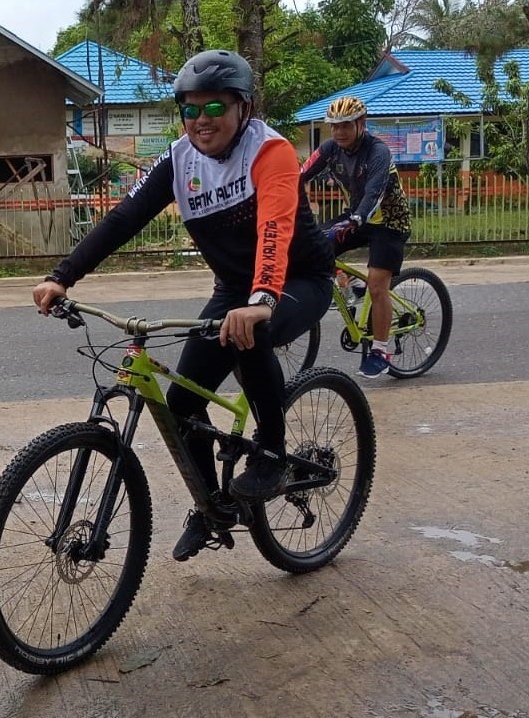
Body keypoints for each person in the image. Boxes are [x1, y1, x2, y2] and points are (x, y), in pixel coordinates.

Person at [31, 50, 335, 562]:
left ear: (243, 107)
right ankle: (213, 507)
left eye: (214, 108)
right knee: (182, 407)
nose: (200, 121)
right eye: (189, 110)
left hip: (297, 279)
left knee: (248, 333)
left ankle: (274, 455)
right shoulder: (178, 160)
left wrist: (260, 301)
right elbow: (123, 219)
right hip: (233, 288)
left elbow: (274, 229)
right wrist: (63, 276)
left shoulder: (271, 152)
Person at [301, 95, 414, 379]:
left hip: (389, 221)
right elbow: (298, 175)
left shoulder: (378, 151)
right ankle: (350, 288)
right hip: (356, 217)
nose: (338, 132)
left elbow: (374, 193)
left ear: (361, 123)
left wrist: (357, 218)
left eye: (346, 125)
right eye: (334, 126)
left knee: (378, 286)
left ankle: (381, 350)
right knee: (312, 245)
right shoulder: (330, 149)